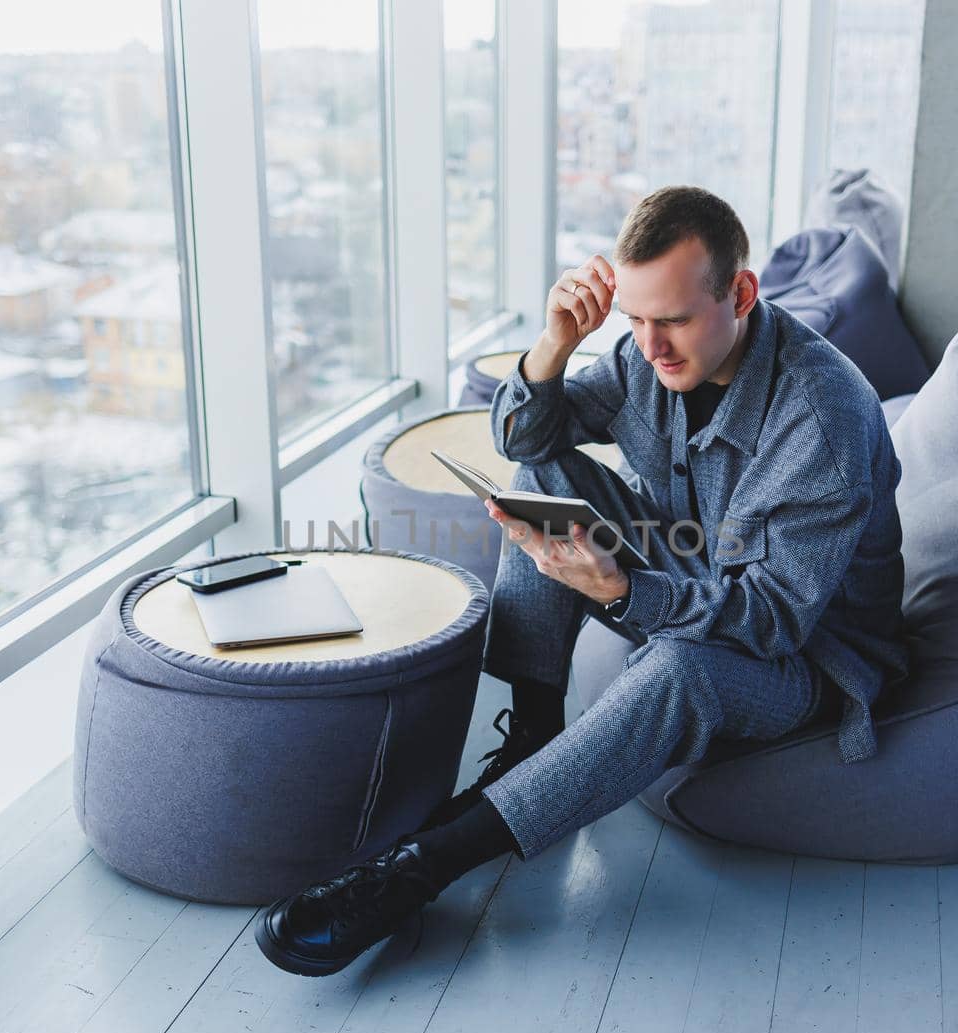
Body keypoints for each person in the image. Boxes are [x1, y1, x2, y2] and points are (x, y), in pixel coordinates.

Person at [255, 185, 909, 978]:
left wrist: (623, 592)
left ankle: (419, 868)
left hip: (808, 660)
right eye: (634, 320)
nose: (650, 344)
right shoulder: (646, 351)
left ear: (740, 293)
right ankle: (532, 738)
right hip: (700, 566)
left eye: (671, 319)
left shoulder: (821, 414)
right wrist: (554, 347)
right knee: (542, 478)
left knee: (680, 670)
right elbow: (532, 435)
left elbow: (773, 621)